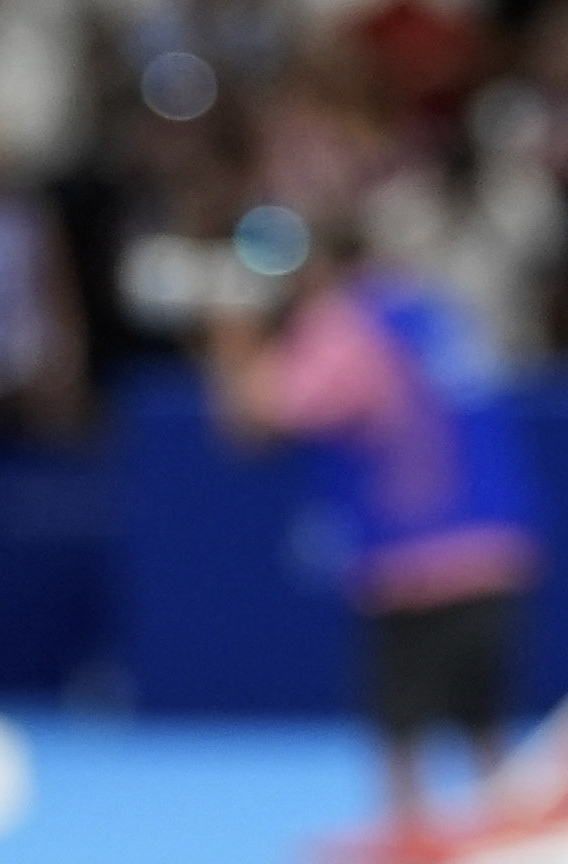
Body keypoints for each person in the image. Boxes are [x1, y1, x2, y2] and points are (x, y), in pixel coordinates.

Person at [205, 193, 547, 831]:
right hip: (500, 552)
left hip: (415, 565)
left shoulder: (344, 325)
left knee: (402, 745)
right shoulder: (435, 311)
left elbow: (257, 419)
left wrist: (230, 335)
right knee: (486, 735)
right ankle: (520, 858)